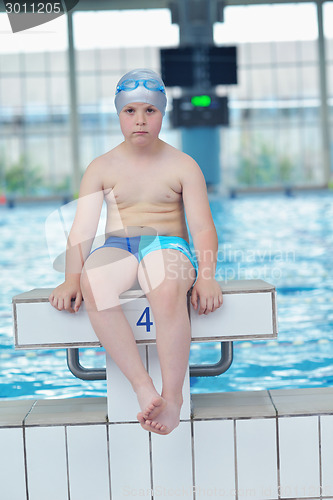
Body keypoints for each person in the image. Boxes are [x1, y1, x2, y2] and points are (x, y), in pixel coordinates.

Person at [49, 68, 223, 435]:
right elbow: (81, 229)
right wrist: (70, 278)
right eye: (130, 112)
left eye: (150, 111)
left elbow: (204, 228)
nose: (140, 120)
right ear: (118, 115)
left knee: (162, 279)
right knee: (95, 280)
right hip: (121, 246)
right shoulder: (102, 167)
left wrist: (206, 277)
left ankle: (172, 397)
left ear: (163, 113)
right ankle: (143, 385)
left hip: (169, 244)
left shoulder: (183, 165)